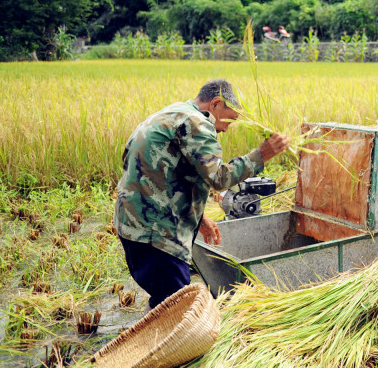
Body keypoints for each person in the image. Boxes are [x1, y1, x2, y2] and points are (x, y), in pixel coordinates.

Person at [114, 79, 290, 308]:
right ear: (216, 103)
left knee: (163, 301)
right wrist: (262, 155)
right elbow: (219, 178)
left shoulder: (174, 113)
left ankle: (156, 335)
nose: (226, 129)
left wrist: (200, 216)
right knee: (178, 309)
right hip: (156, 236)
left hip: (131, 225)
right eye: (230, 119)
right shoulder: (197, 123)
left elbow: (161, 171)